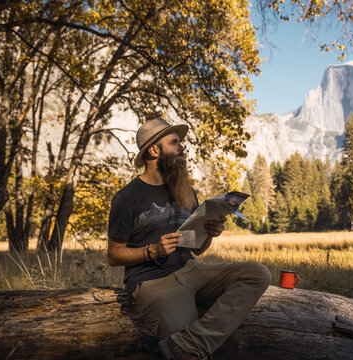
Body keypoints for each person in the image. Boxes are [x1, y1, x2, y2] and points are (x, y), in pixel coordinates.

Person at [107, 117, 271, 360]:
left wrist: (210, 233)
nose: (182, 148)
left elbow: (197, 249)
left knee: (257, 274)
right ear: (154, 150)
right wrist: (151, 251)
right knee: (192, 356)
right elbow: (113, 255)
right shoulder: (127, 198)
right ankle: (190, 349)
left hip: (191, 269)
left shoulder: (185, 190)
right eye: (174, 143)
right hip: (151, 284)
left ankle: (186, 344)